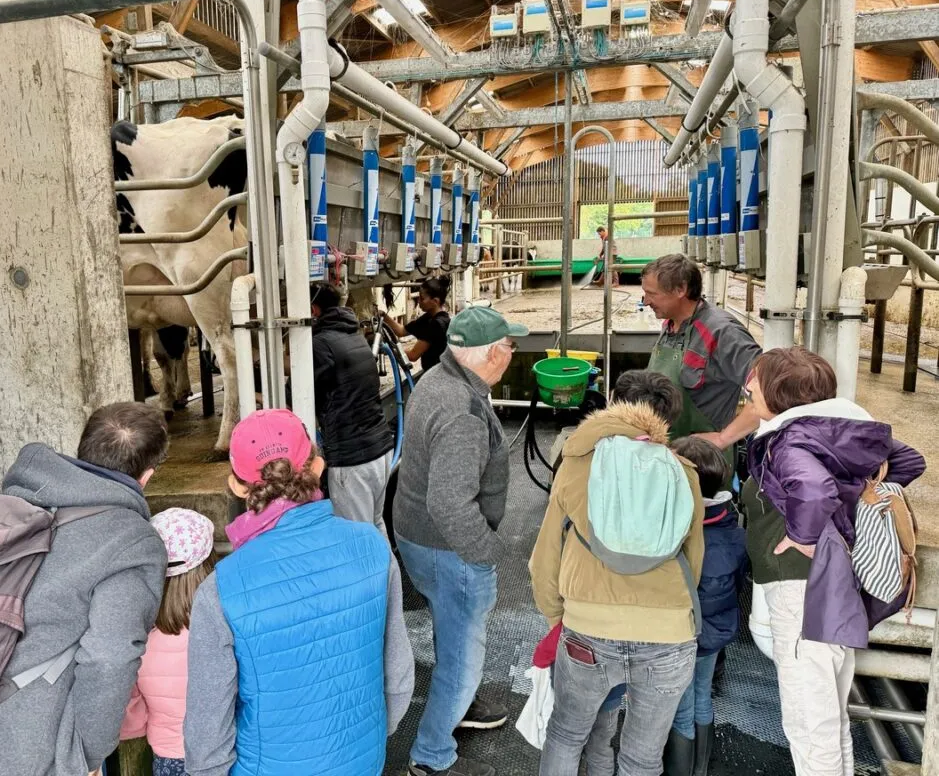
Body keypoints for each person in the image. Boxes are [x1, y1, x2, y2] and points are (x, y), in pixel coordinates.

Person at [0, 402, 170, 776]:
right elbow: (109, 657)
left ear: (83, 451)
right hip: (16, 750)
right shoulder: (131, 542)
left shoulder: (2, 506)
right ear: (146, 477)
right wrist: (87, 754)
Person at [183, 409, 414, 776]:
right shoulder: (371, 547)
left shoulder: (221, 589)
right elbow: (399, 677)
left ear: (237, 486)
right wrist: (369, 737)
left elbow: (208, 728)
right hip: (362, 756)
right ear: (318, 466)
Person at [741, 348, 925, 776]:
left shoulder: (790, 441)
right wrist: (854, 492)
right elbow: (909, 461)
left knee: (809, 723)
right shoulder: (836, 433)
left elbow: (814, 488)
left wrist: (802, 536)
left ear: (779, 393)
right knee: (829, 716)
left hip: (802, 589)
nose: (748, 385)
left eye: (756, 380)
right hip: (835, 585)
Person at [530, 370, 705, 776]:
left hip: (588, 629)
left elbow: (544, 558)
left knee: (567, 734)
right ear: (668, 419)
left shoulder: (576, 463)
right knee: (641, 758)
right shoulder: (684, 472)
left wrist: (560, 617)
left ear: (613, 402)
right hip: (669, 636)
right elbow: (692, 562)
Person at [393, 306, 529, 776]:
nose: (513, 352)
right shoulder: (463, 411)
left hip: (418, 537)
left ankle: (460, 704)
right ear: (492, 353)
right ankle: (431, 758)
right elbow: (451, 505)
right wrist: (487, 554)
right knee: (462, 656)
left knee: (450, 631)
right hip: (448, 550)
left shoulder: (437, 378)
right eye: (510, 345)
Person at [663, 437, 746, 776]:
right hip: (715, 633)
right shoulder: (734, 531)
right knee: (701, 696)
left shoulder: (679, 532)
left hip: (683, 634)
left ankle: (678, 769)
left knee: (680, 705)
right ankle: (700, 767)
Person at [121, 508, 216, 776]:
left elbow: (134, 719)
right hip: (221, 751)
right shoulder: (225, 630)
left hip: (169, 759)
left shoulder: (138, 639)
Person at [641, 254, 762, 463]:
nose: (646, 301)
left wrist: (724, 438)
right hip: (667, 453)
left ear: (681, 290)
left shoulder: (722, 332)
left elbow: (772, 391)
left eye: (652, 294)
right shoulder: (670, 324)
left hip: (702, 464)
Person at [311, 282, 395, 533]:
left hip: (352, 459)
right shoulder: (354, 335)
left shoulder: (320, 343)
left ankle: (381, 573)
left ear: (313, 310)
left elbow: (298, 391)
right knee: (375, 524)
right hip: (380, 450)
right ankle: (390, 574)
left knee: (356, 536)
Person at [381, 275, 452, 372]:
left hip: (438, 376)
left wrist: (388, 350)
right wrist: (383, 315)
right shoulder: (429, 317)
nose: (418, 302)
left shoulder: (437, 324)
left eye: (422, 299)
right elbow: (401, 331)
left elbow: (413, 355)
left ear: (435, 301)